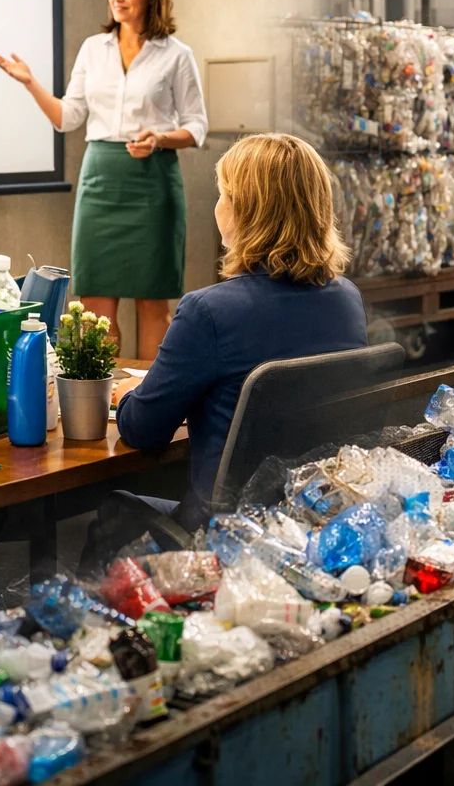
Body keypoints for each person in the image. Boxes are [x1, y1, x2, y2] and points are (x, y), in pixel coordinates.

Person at [80, 133, 367, 567]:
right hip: (314, 525)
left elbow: (143, 430)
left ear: (244, 211)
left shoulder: (209, 311)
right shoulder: (347, 299)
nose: (218, 206)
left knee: (117, 507)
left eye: (223, 195)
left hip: (225, 535)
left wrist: (128, 396)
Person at [0, 0, 207, 360]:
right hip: (101, 179)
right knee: (93, 303)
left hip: (153, 181)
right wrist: (30, 83)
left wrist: (159, 139)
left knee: (152, 303)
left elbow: (197, 126)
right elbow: (67, 117)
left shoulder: (176, 54)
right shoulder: (93, 48)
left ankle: (149, 393)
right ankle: (103, 393)